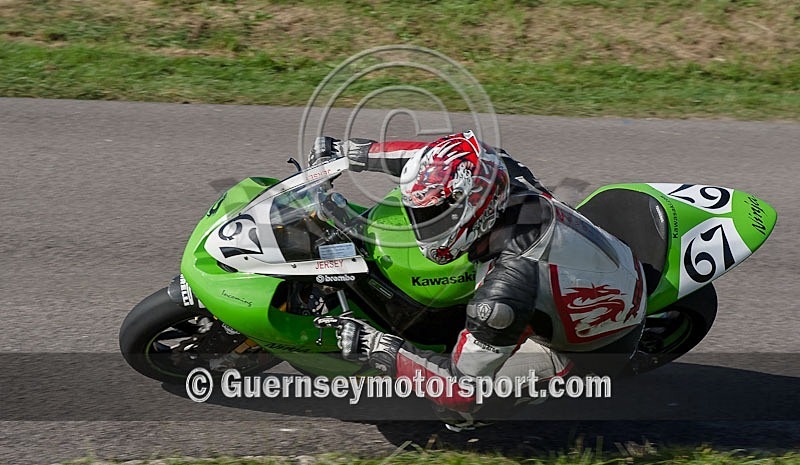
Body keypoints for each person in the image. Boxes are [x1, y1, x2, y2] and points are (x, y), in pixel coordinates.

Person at [309, 131, 646, 429]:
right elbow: (434, 159)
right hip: (595, 261)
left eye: (433, 216)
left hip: (592, 342)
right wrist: (350, 152)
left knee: (458, 412)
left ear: (472, 210)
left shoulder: (502, 295)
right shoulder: (494, 170)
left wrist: (381, 348)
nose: (421, 224)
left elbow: (461, 390)